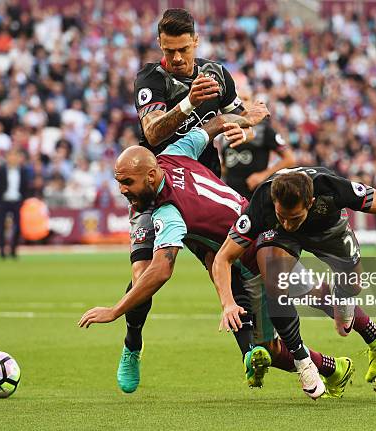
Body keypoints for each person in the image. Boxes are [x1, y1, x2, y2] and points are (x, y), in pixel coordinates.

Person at [79, 110, 354, 400]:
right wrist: (246, 117)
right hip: (264, 231)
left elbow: (161, 270)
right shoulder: (175, 154)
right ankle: (358, 344)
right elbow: (215, 124)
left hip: (247, 257)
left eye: (127, 183)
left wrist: (114, 311)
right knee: (319, 295)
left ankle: (332, 365)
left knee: (268, 347)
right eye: (119, 181)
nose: (121, 189)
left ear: (150, 176)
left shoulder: (170, 212)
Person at [118, 8, 252, 394]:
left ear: (195, 41)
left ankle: (249, 352)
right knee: (145, 273)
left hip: (204, 185)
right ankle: (132, 345)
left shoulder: (218, 74)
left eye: (182, 49)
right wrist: (189, 103)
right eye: (168, 49)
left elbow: (236, 114)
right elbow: (153, 131)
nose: (175, 58)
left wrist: (240, 131)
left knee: (223, 261)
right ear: (160, 45)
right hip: (155, 189)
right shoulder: (151, 78)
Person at [212, 167, 376, 386]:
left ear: (311, 202)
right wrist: (228, 303)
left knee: (352, 286)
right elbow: (222, 258)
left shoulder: (331, 188)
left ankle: (344, 302)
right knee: (274, 279)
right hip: (282, 239)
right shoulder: (262, 203)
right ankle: (303, 361)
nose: (287, 223)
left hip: (330, 231)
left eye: (294, 217)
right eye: (281, 216)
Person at [220, 85, 296, 200]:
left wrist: (263, 175)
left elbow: (290, 159)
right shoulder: (224, 130)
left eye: (245, 99)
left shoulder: (263, 130)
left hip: (256, 197)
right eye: (238, 100)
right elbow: (226, 165)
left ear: (252, 103)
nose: (241, 104)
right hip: (232, 198)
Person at [0, 148, 30, 259]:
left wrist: (23, 200)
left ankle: (13, 250)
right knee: (1, 227)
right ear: (7, 158)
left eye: (15, 156)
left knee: (18, 227)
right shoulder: (2, 170)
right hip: (4, 201)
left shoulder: (23, 170)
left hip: (17, 201)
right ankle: (2, 251)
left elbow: (25, 187)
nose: (13, 158)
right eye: (11, 156)